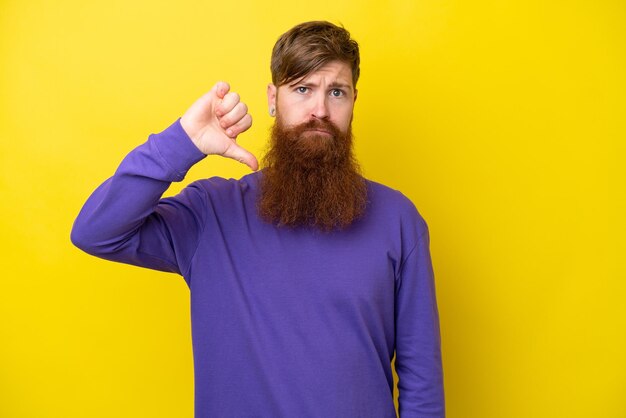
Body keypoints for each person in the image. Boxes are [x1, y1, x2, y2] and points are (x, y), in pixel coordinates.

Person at [71, 20, 445, 418]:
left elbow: (421, 380)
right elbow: (97, 232)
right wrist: (182, 142)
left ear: (354, 101)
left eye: (336, 91)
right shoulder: (212, 212)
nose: (319, 110)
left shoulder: (398, 219)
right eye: (302, 89)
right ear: (272, 98)